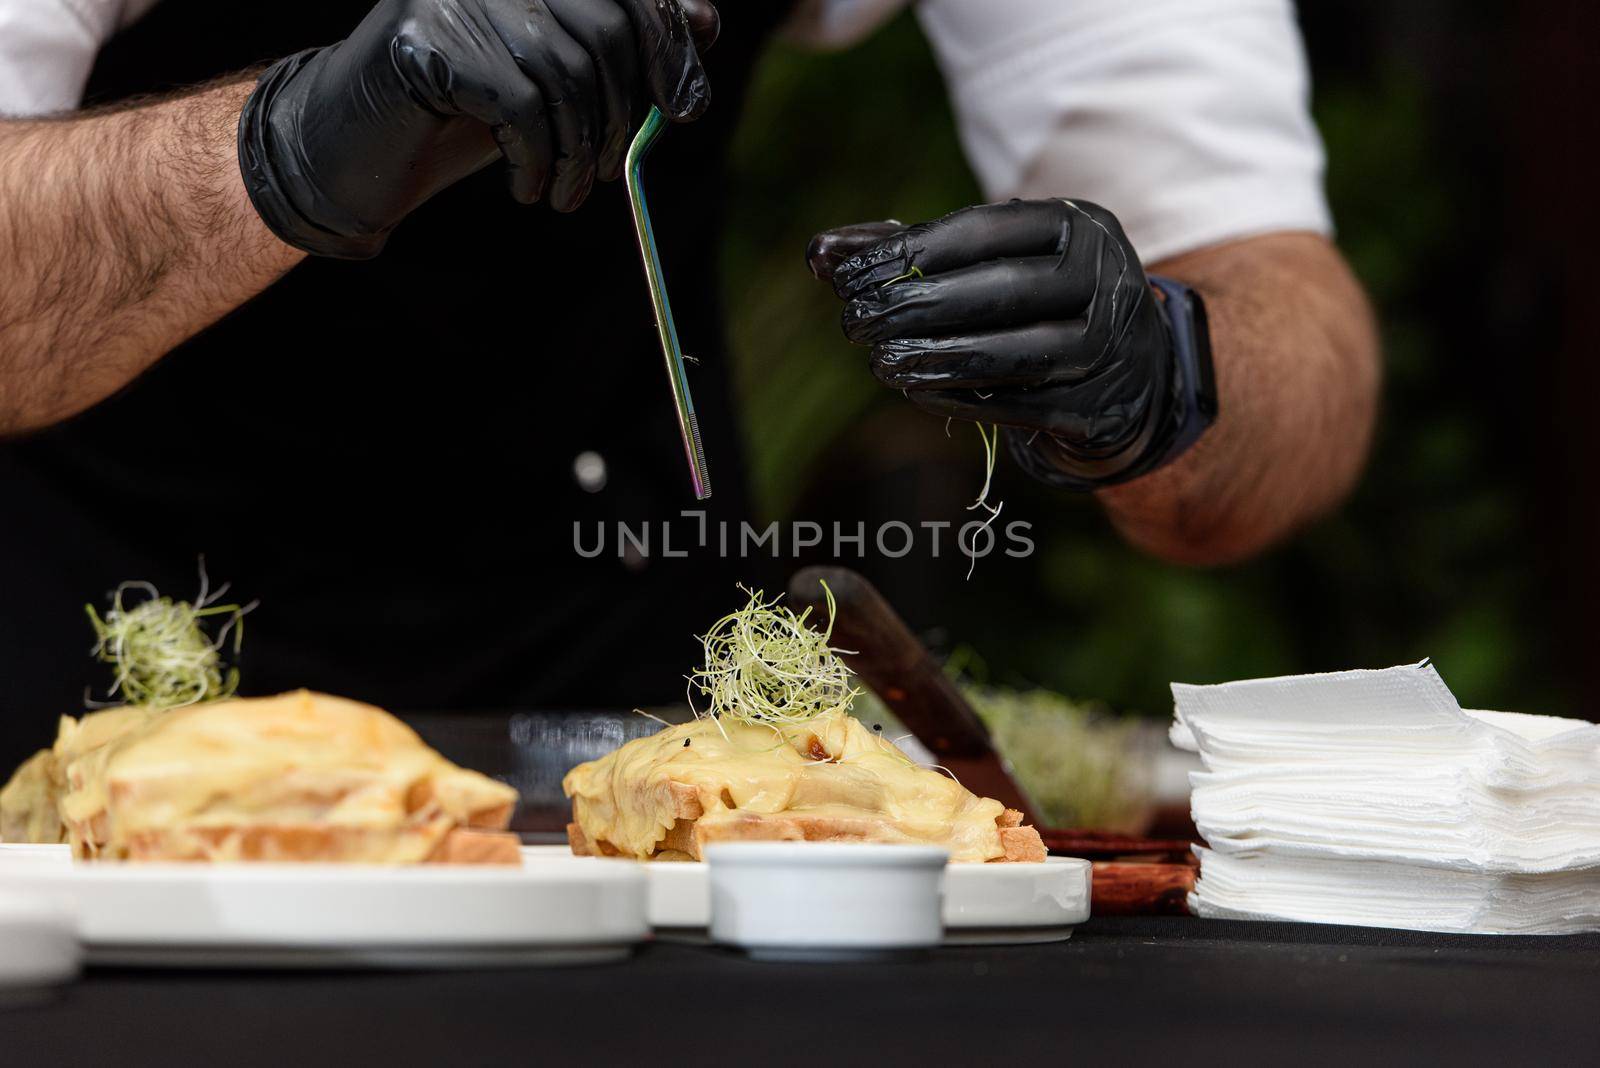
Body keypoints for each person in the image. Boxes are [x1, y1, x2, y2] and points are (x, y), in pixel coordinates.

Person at [0, 0, 1378, 769]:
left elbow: (1291, 331)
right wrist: (293, 146)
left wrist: (1170, 369)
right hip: (77, 770)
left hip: (644, 783)